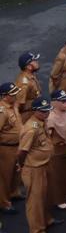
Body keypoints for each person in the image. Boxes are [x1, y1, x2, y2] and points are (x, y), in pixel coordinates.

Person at [17, 97, 58, 233]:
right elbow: (22, 151)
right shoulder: (31, 128)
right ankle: (37, 231)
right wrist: (21, 165)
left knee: (46, 196)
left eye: (47, 111)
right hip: (34, 168)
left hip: (44, 164)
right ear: (35, 111)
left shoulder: (41, 122)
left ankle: (46, 220)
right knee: (35, 201)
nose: (46, 113)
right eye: (43, 111)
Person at [0, 83, 22, 217]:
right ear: (4, 96)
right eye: (12, 94)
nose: (15, 95)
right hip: (6, 148)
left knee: (15, 173)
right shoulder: (2, 111)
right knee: (5, 176)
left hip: (17, 146)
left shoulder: (13, 105)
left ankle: (14, 193)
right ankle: (4, 203)